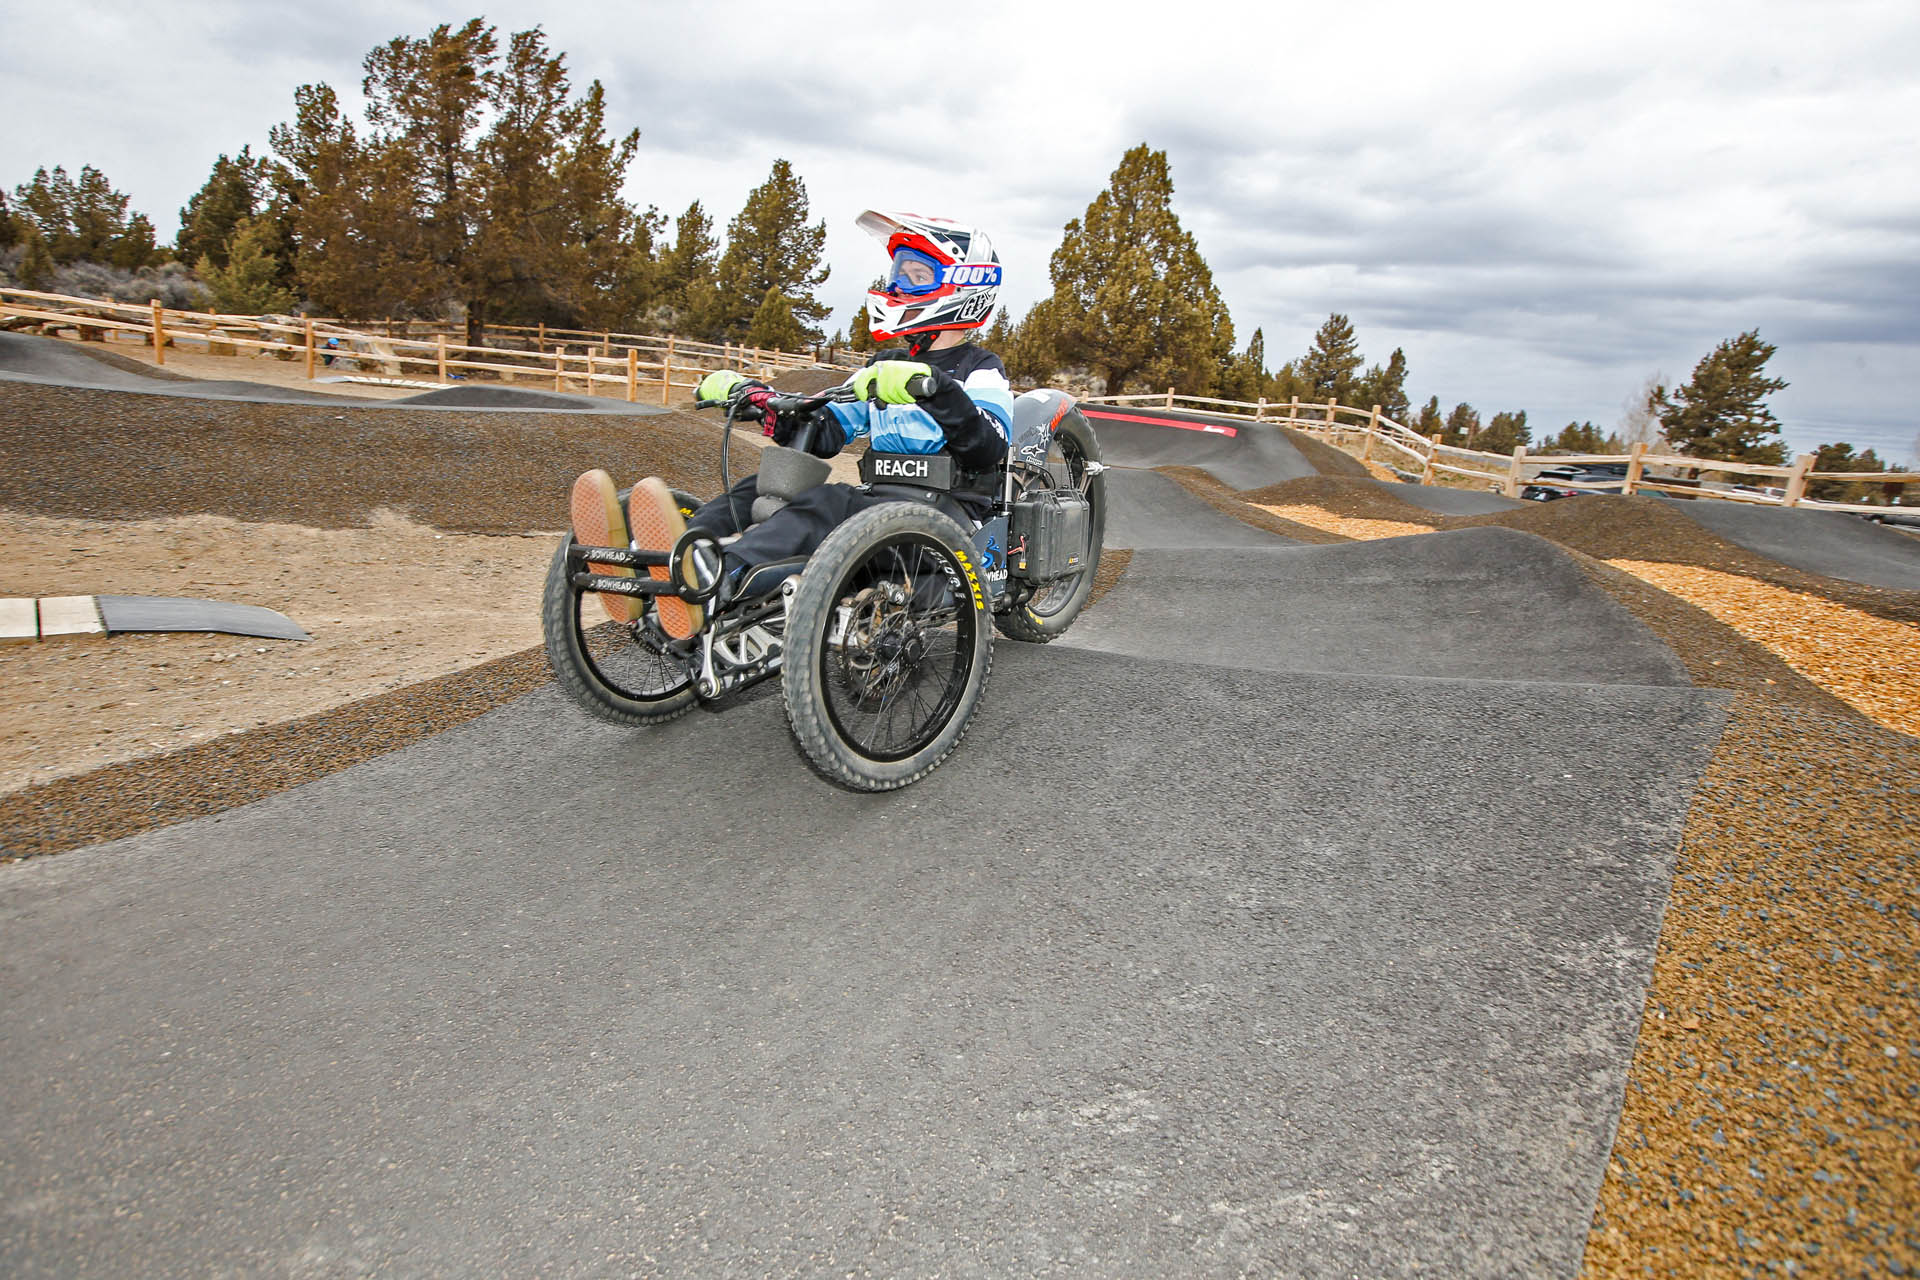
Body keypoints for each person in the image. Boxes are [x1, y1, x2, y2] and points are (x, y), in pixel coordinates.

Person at [569, 210, 1015, 639]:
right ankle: (670, 555)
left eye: (916, 276)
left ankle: (717, 577)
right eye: (898, 273)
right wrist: (760, 404)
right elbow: (823, 433)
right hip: (882, 512)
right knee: (764, 487)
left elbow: (988, 448)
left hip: (946, 522)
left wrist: (936, 389)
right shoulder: (884, 366)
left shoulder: (981, 370)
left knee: (828, 504)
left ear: (962, 287)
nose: (896, 285)